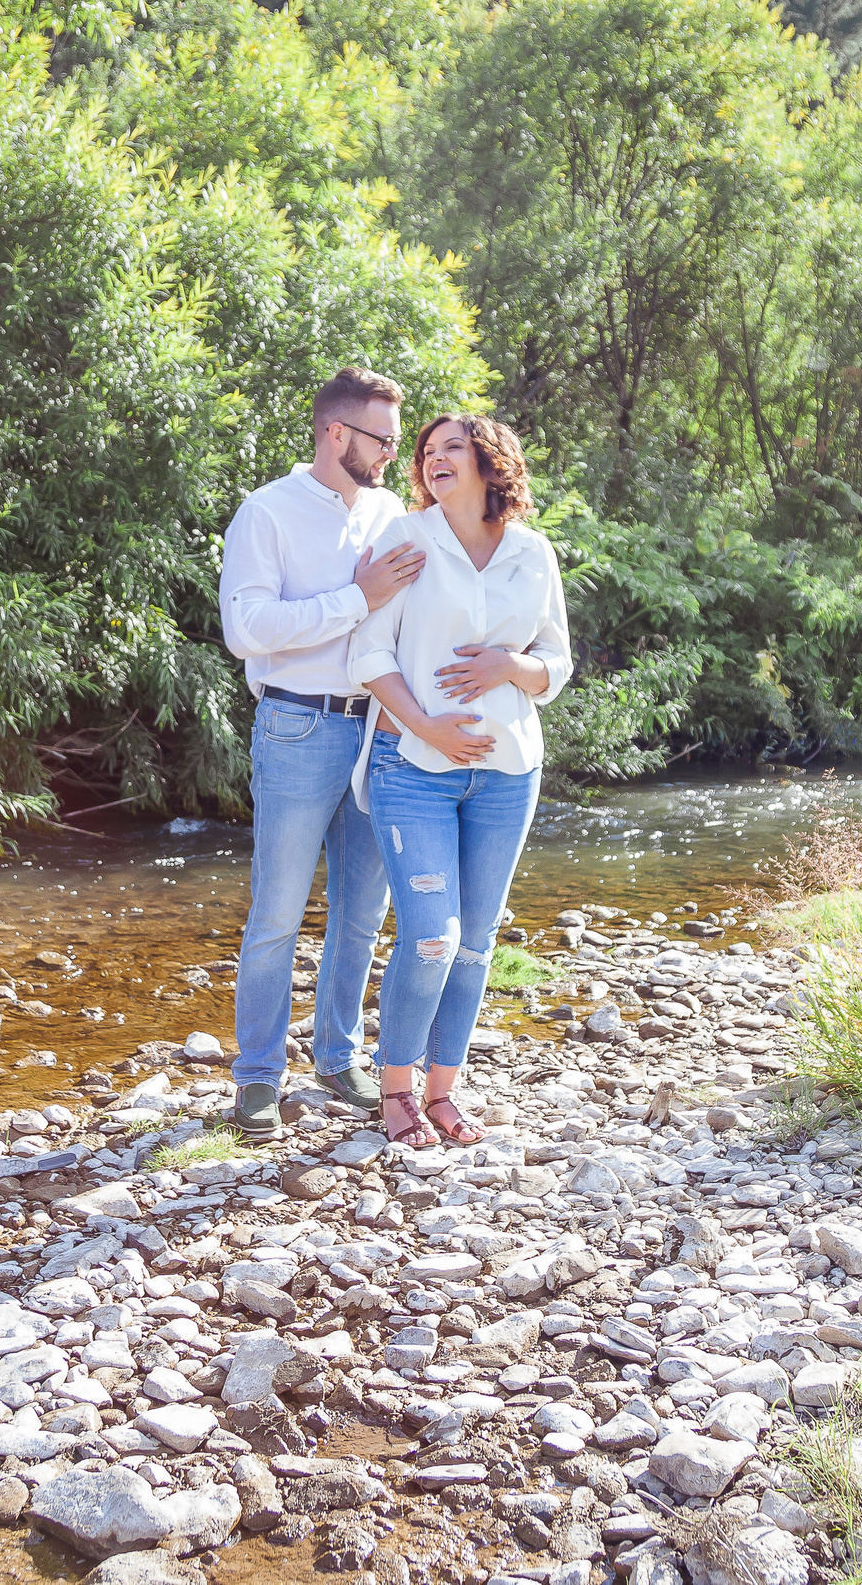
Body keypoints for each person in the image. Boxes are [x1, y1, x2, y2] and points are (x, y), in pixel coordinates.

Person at [345, 414, 571, 1147]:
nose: (434, 458)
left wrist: (511, 666)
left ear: (488, 462)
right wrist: (426, 726)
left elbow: (556, 665)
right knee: (433, 937)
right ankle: (397, 1089)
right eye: (427, 450)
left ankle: (445, 1091)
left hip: (508, 772)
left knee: (476, 940)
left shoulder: (534, 553)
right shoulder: (408, 540)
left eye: (451, 448)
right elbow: (368, 652)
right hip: (413, 768)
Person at [217, 367, 429, 1140]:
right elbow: (247, 629)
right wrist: (357, 597)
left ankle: (338, 1058)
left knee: (361, 913)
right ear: (336, 432)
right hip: (297, 727)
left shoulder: (390, 513)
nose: (391, 454)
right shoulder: (265, 512)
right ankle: (257, 1079)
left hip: (379, 728)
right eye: (382, 439)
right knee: (276, 912)